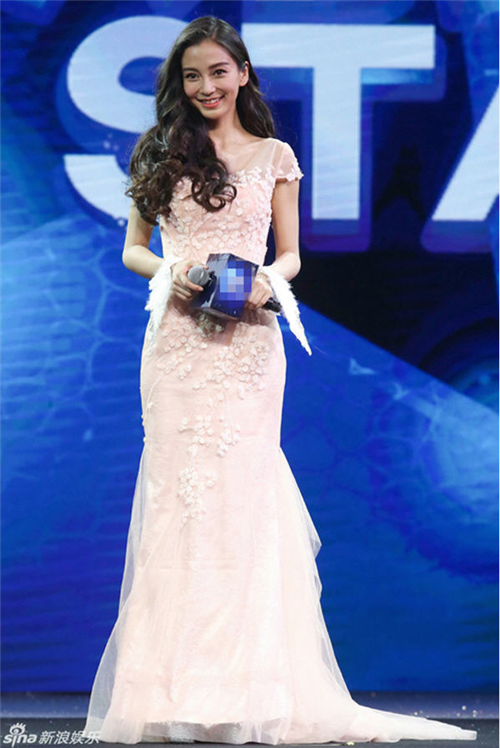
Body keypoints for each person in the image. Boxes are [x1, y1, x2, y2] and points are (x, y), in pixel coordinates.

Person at [82, 16, 477, 745]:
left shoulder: (274, 156)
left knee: (242, 500)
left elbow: (290, 255)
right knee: (178, 502)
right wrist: (176, 272)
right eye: (193, 76)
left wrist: (263, 284)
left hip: (250, 346)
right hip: (177, 346)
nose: (206, 87)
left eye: (218, 72)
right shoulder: (160, 150)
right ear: (179, 83)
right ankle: (173, 693)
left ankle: (247, 692)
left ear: (243, 73)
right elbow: (136, 248)